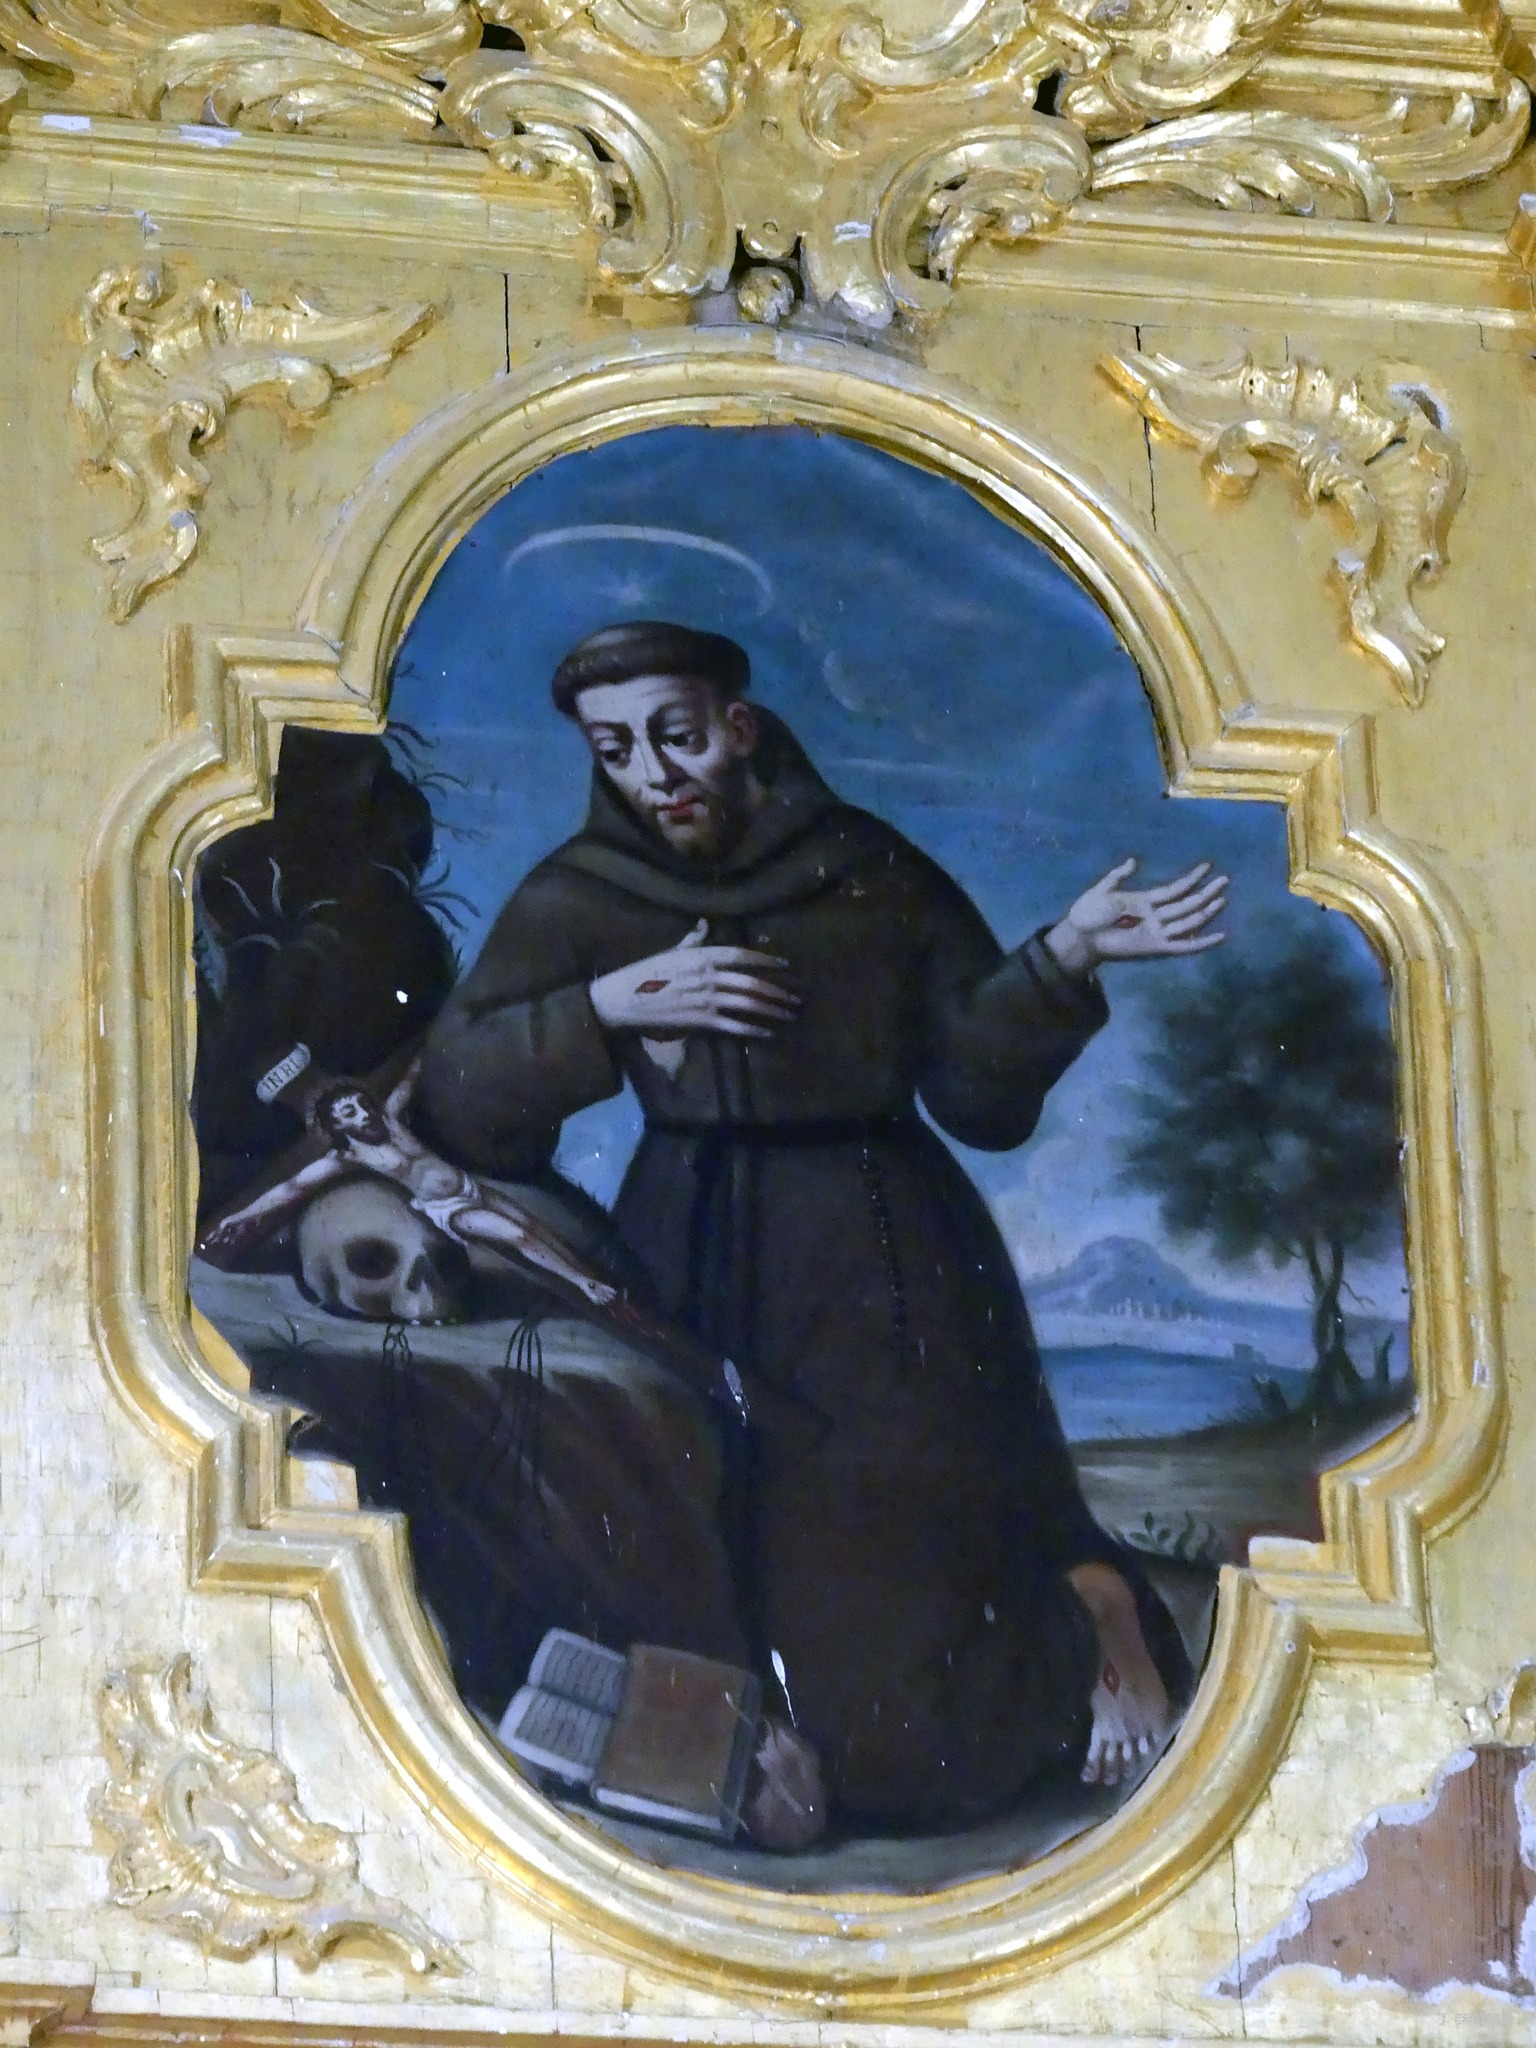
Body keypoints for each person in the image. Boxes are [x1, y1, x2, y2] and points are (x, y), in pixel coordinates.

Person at [420, 620, 1228, 1834]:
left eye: (677, 735)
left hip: (881, 1251)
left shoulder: (861, 866)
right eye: (617, 748)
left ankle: (1098, 1608)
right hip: (685, 1244)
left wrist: (1063, 957)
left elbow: (976, 1092)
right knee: (697, 1544)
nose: (653, 772)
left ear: (739, 726)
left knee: (909, 1739)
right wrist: (606, 1005)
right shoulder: (581, 895)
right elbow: (460, 1096)